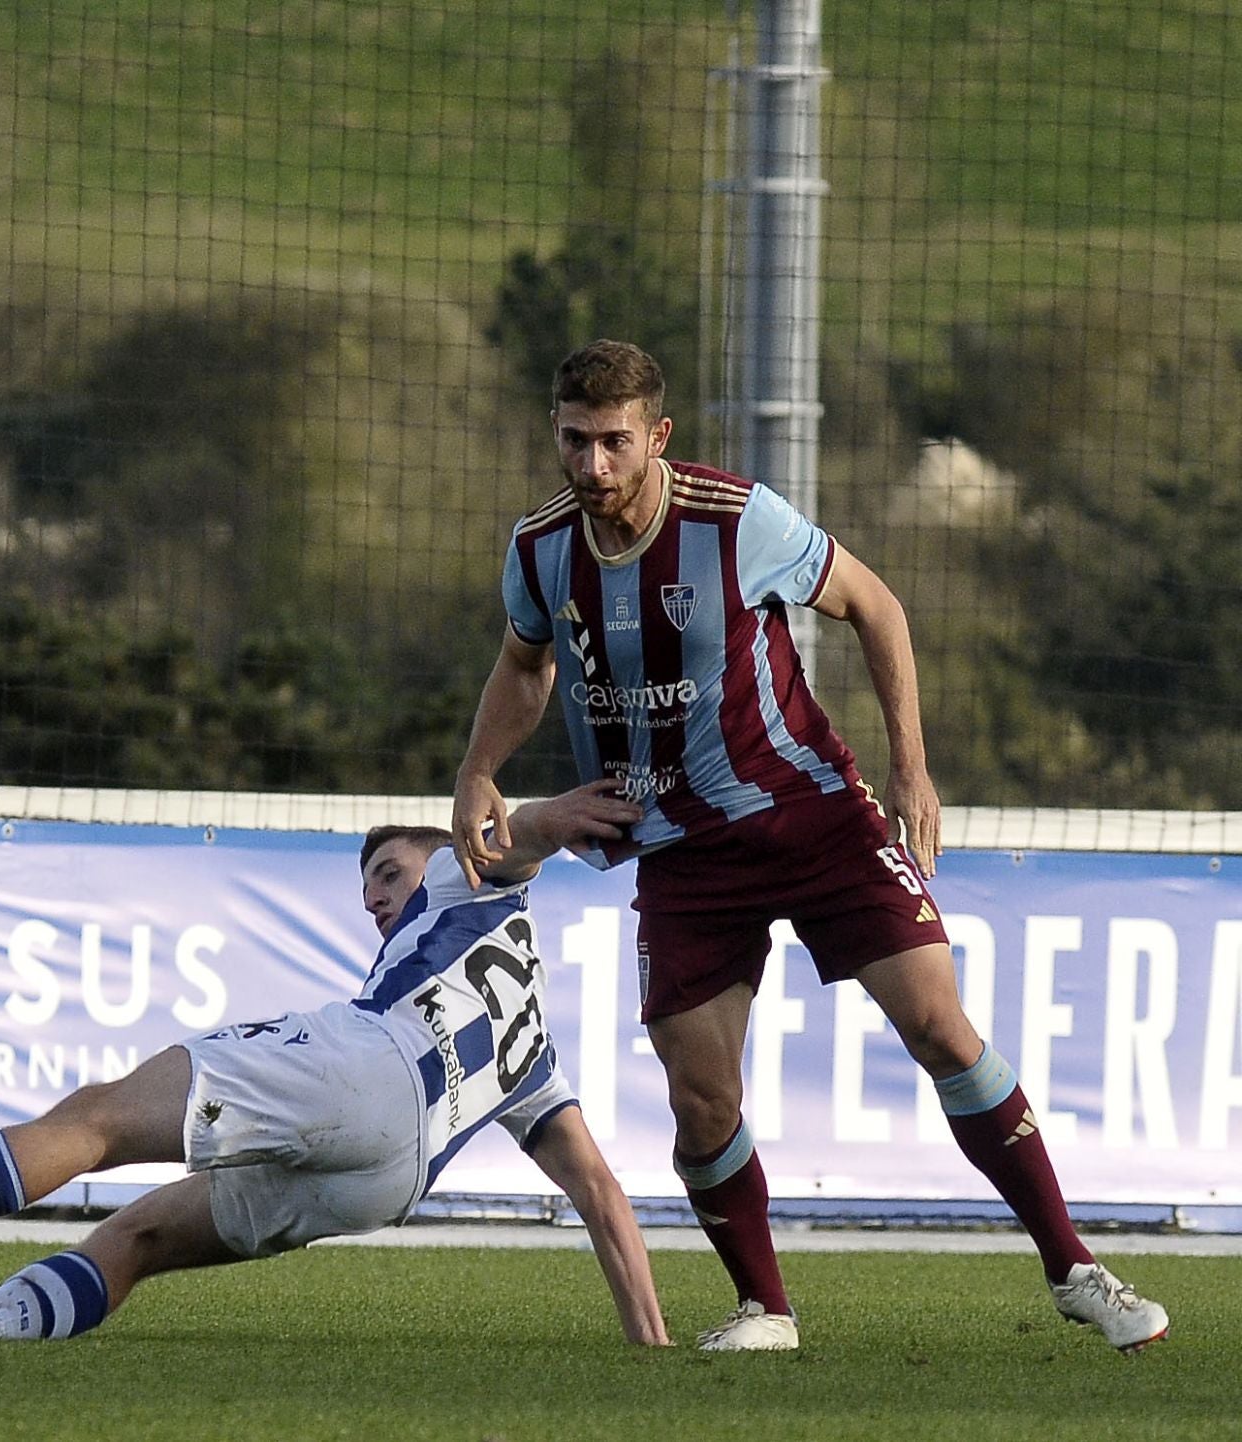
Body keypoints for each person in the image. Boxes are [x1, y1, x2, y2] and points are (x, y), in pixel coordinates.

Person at [450, 338, 1168, 1355]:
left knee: (937, 1024)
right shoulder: (538, 548)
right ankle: (766, 1307)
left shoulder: (739, 519)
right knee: (701, 1098)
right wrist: (479, 769)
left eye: (614, 442)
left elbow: (878, 604)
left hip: (814, 814)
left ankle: (1074, 1266)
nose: (593, 464)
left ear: (657, 436)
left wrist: (912, 768)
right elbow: (525, 667)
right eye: (575, 440)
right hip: (684, 847)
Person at [0, 784, 670, 1345]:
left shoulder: (464, 877)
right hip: (392, 1181)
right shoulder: (533, 1049)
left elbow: (526, 832)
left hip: (368, 1061)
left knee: (98, 1118)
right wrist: (653, 1352)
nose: (378, 899)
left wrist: (560, 812)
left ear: (439, 860)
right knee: (135, 1239)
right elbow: (600, 1193)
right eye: (369, 887)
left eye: (389, 874)